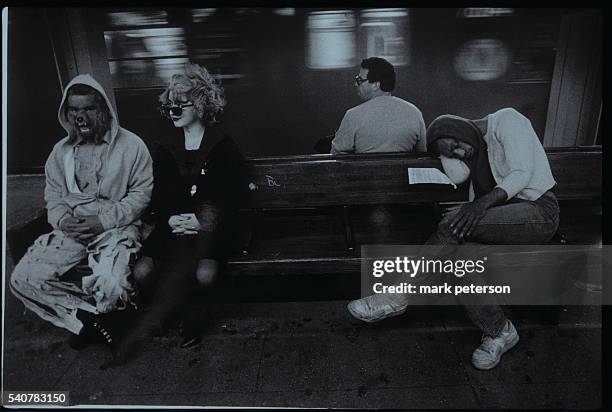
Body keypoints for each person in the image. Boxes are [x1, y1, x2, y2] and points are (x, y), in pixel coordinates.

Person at [347, 108, 559, 370]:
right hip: (504, 218)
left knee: (453, 224)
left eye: (457, 144)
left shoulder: (508, 120)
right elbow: (461, 178)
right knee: (457, 261)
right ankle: (500, 332)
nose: (461, 153)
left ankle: (398, 295)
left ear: (462, 130)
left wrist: (477, 207)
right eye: (453, 152)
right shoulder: (478, 152)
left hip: (539, 212)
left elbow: (521, 174)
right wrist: (446, 154)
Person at [115, 63, 249, 362]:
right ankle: (176, 307)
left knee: (204, 272)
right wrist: (170, 217)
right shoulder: (166, 148)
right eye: (169, 106)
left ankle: (189, 312)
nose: (173, 111)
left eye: (180, 105)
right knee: (143, 270)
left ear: (201, 105)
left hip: (211, 230)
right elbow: (159, 195)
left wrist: (201, 221)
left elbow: (235, 195)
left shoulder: (222, 147)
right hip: (173, 227)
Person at [10, 74, 153, 350]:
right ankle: (90, 319)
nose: (80, 116)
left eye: (88, 108)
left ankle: (94, 322)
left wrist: (102, 221)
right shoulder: (60, 153)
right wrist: (63, 221)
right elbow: (53, 196)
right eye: (74, 109)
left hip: (116, 228)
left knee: (112, 283)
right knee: (23, 278)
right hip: (72, 231)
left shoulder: (132, 146)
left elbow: (140, 196)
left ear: (104, 110)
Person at [330, 57, 426, 154]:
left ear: (376, 85)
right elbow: (422, 152)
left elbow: (336, 154)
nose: (356, 84)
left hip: (365, 169)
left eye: (359, 80)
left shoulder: (353, 115)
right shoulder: (415, 112)